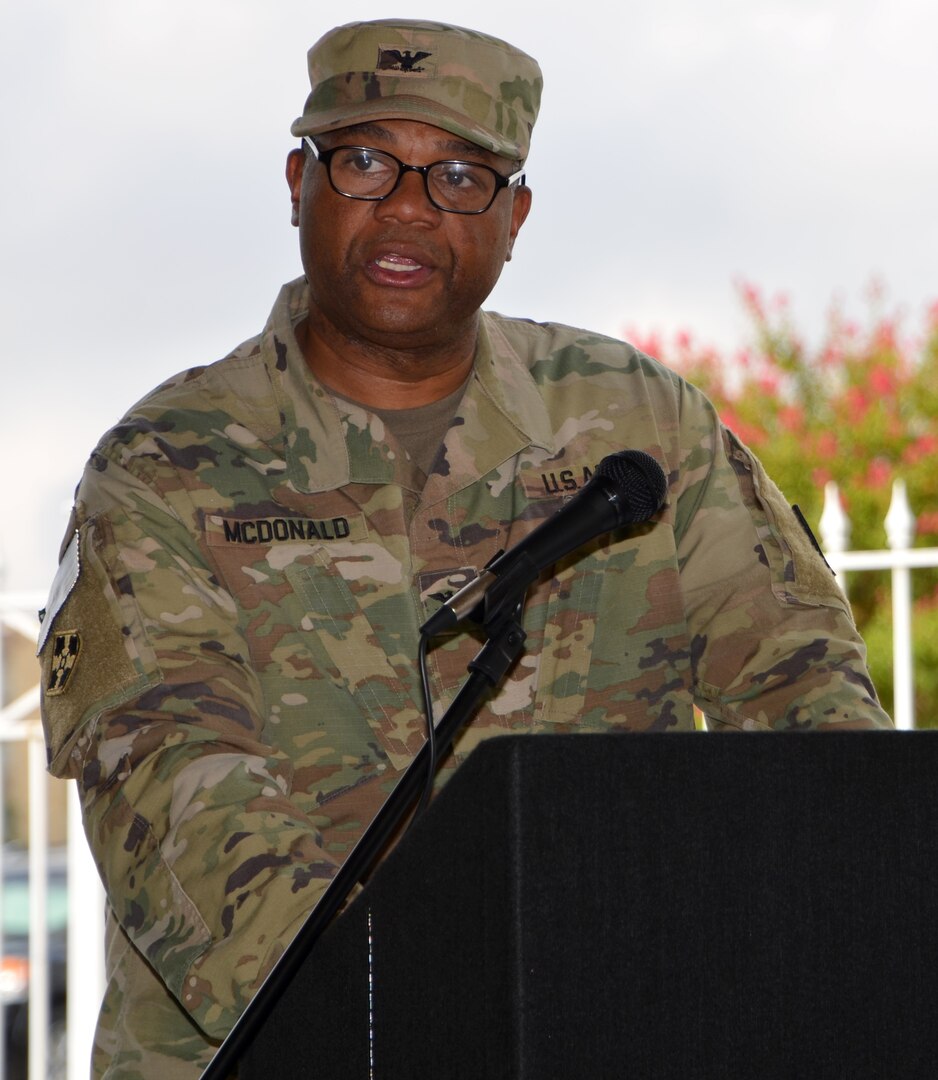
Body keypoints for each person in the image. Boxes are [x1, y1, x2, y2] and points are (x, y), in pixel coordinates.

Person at [37, 17, 892, 1079]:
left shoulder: (635, 428)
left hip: (615, 1034)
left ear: (514, 215)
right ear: (295, 182)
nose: (407, 206)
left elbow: (808, 714)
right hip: (283, 1051)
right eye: (363, 162)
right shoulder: (166, 466)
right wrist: (437, 1006)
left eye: (457, 175)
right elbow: (175, 795)